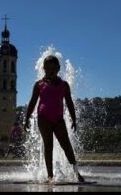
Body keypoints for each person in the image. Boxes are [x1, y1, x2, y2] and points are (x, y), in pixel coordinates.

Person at [23, 55, 85, 184]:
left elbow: (69, 103)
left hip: (58, 119)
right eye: (48, 68)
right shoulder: (39, 84)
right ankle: (50, 175)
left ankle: (76, 172)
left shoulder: (64, 85)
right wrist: (27, 118)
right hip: (43, 118)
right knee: (48, 146)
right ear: (44, 68)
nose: (50, 71)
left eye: (53, 68)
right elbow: (32, 102)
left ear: (58, 69)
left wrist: (74, 119)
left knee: (66, 145)